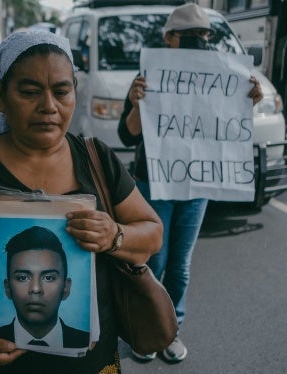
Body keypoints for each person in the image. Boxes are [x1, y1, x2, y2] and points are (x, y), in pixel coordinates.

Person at [0, 30, 162, 373]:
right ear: (0, 96)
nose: (49, 106)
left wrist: (114, 235)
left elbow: (152, 233)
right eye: (29, 92)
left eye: (61, 91)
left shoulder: (97, 160)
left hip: (94, 363)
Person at [117, 3, 263, 363]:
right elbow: (128, 133)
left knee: (180, 263)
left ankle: (171, 330)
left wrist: (250, 101)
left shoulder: (224, 73)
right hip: (155, 184)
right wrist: (137, 102)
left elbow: (228, 129)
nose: (201, 42)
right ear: (169, 38)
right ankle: (145, 329)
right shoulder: (148, 76)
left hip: (196, 187)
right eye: (192, 36)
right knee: (155, 260)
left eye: (205, 36)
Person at [0, 225, 90, 349]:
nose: (35, 288)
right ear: (7, 288)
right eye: (22, 278)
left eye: (48, 278)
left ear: (66, 288)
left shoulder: (86, 343)